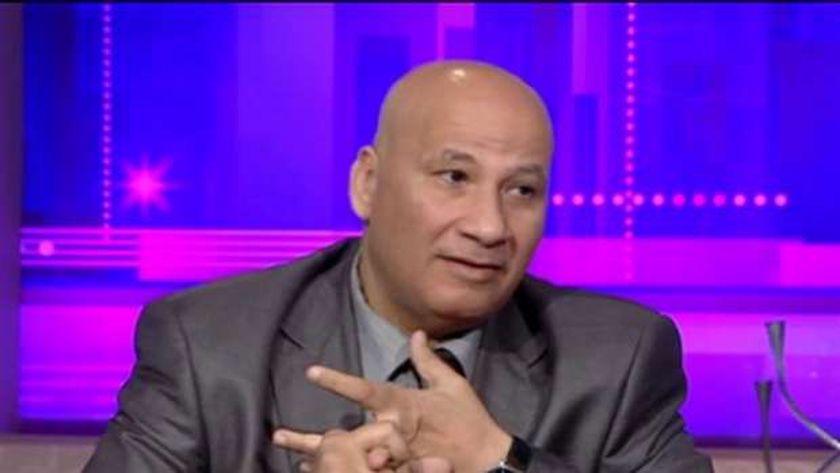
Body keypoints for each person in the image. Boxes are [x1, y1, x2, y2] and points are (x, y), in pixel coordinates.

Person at [83, 60, 712, 472]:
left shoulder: (617, 359)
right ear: (368, 184)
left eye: (522, 190)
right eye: (454, 177)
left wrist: (500, 461)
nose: (490, 226)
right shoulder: (207, 346)